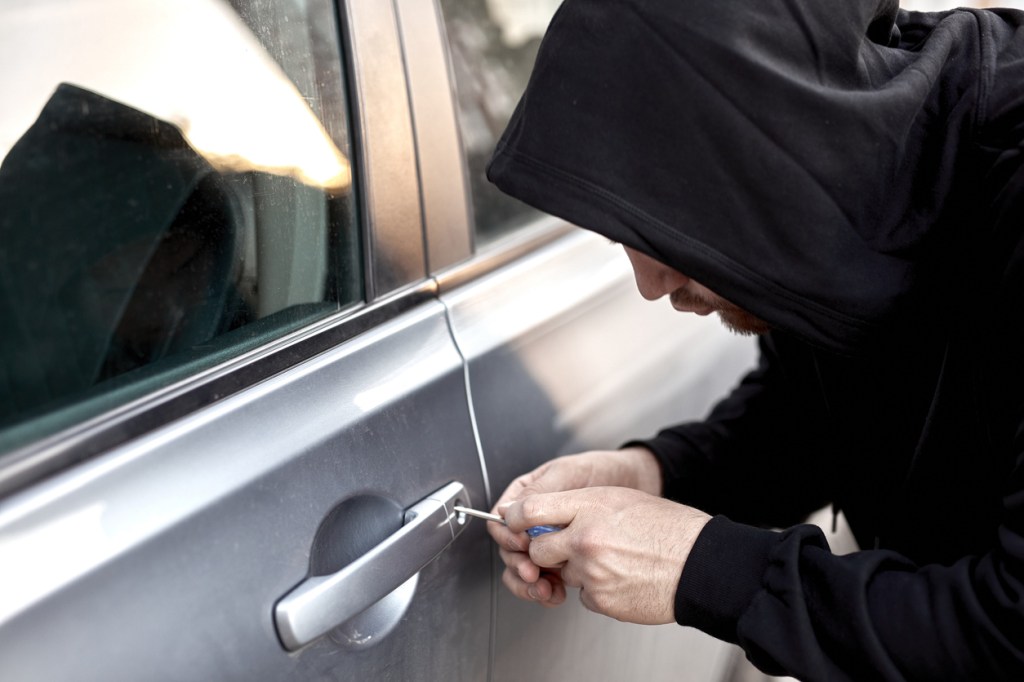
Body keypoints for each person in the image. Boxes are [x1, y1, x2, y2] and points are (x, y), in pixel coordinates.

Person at [483, 1, 1024, 680]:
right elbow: (812, 417)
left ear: (763, 142)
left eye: (664, 217)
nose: (650, 284)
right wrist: (656, 475)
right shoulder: (843, 189)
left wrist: (698, 567)